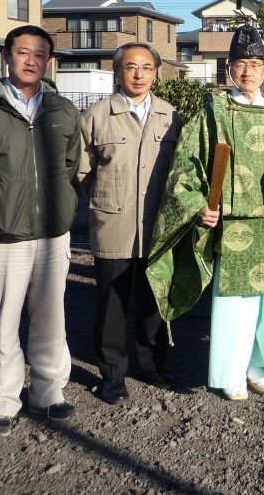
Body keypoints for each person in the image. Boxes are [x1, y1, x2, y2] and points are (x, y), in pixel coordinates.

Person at [147, 23, 264, 401]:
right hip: (234, 225)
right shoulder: (213, 111)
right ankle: (231, 372)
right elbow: (186, 165)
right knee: (235, 306)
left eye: (255, 63)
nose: (248, 71)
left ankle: (263, 366)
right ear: (229, 68)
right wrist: (199, 205)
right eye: (240, 63)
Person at [0, 25, 81, 438]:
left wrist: (61, 204)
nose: (31, 60)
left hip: (52, 233)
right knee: (2, 319)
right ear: (7, 55)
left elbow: (71, 166)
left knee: (51, 316)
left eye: (40, 54)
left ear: (48, 60)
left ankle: (48, 391)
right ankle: (3, 400)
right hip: (2, 235)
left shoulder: (62, 111)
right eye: (23, 52)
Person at [78, 42, 182, 405]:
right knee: (112, 305)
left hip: (157, 227)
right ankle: (111, 374)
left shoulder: (171, 116)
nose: (139, 74)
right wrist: (107, 198)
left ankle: (151, 365)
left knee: (154, 302)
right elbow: (82, 170)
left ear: (156, 72)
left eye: (147, 67)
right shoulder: (96, 115)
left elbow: (179, 173)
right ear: (117, 71)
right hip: (114, 225)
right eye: (131, 67)